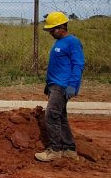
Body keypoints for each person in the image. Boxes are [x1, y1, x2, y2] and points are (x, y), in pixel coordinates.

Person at [35, 11, 84, 162]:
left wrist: (72, 85)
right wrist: (48, 84)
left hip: (63, 86)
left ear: (62, 27)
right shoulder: (59, 42)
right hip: (55, 85)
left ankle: (55, 150)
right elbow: (58, 66)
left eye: (52, 29)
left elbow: (78, 65)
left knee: (51, 116)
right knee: (61, 117)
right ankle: (69, 149)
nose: (50, 32)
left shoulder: (72, 42)